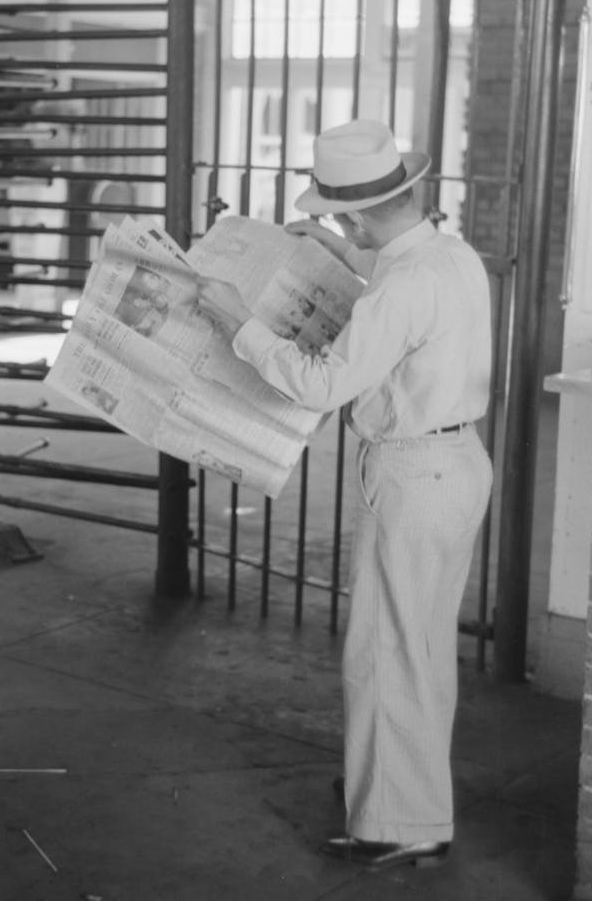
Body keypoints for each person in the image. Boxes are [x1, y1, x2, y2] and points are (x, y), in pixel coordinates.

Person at [196, 118, 493, 872]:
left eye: (337, 220)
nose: (337, 229)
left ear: (358, 217)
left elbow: (322, 383)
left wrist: (240, 324)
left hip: (413, 473)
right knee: (420, 645)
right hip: (458, 464)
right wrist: (334, 252)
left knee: (387, 651)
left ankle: (399, 824)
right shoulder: (450, 257)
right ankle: (399, 791)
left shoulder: (403, 286)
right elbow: (393, 287)